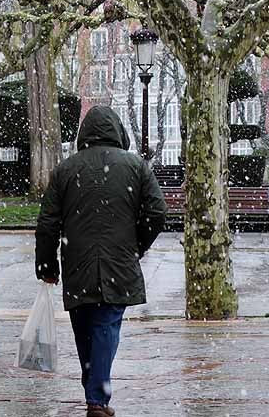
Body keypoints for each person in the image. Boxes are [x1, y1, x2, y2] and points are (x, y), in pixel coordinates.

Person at [35, 105, 167, 417]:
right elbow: (157, 213)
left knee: (84, 328)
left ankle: (94, 393)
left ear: (84, 135)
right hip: (118, 263)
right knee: (106, 325)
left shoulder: (66, 170)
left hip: (77, 264)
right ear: (119, 133)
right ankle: (96, 399)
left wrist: (47, 266)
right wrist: (137, 245)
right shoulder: (136, 166)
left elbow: (47, 223)